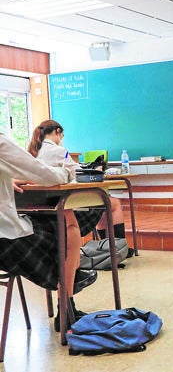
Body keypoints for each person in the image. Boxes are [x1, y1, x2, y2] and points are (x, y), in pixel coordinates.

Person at [0, 132, 93, 332]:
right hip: (6, 240)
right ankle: (66, 304)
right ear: (57, 133)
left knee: (54, 221)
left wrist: (7, 180)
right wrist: (69, 173)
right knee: (68, 224)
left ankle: (65, 277)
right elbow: (44, 175)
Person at [27, 120, 129, 248]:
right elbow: (77, 172)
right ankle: (118, 249)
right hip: (65, 207)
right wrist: (95, 170)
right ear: (58, 132)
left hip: (39, 208)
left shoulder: (32, 151)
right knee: (112, 203)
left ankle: (110, 248)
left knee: (103, 203)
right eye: (62, 136)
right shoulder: (59, 150)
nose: (61, 139)